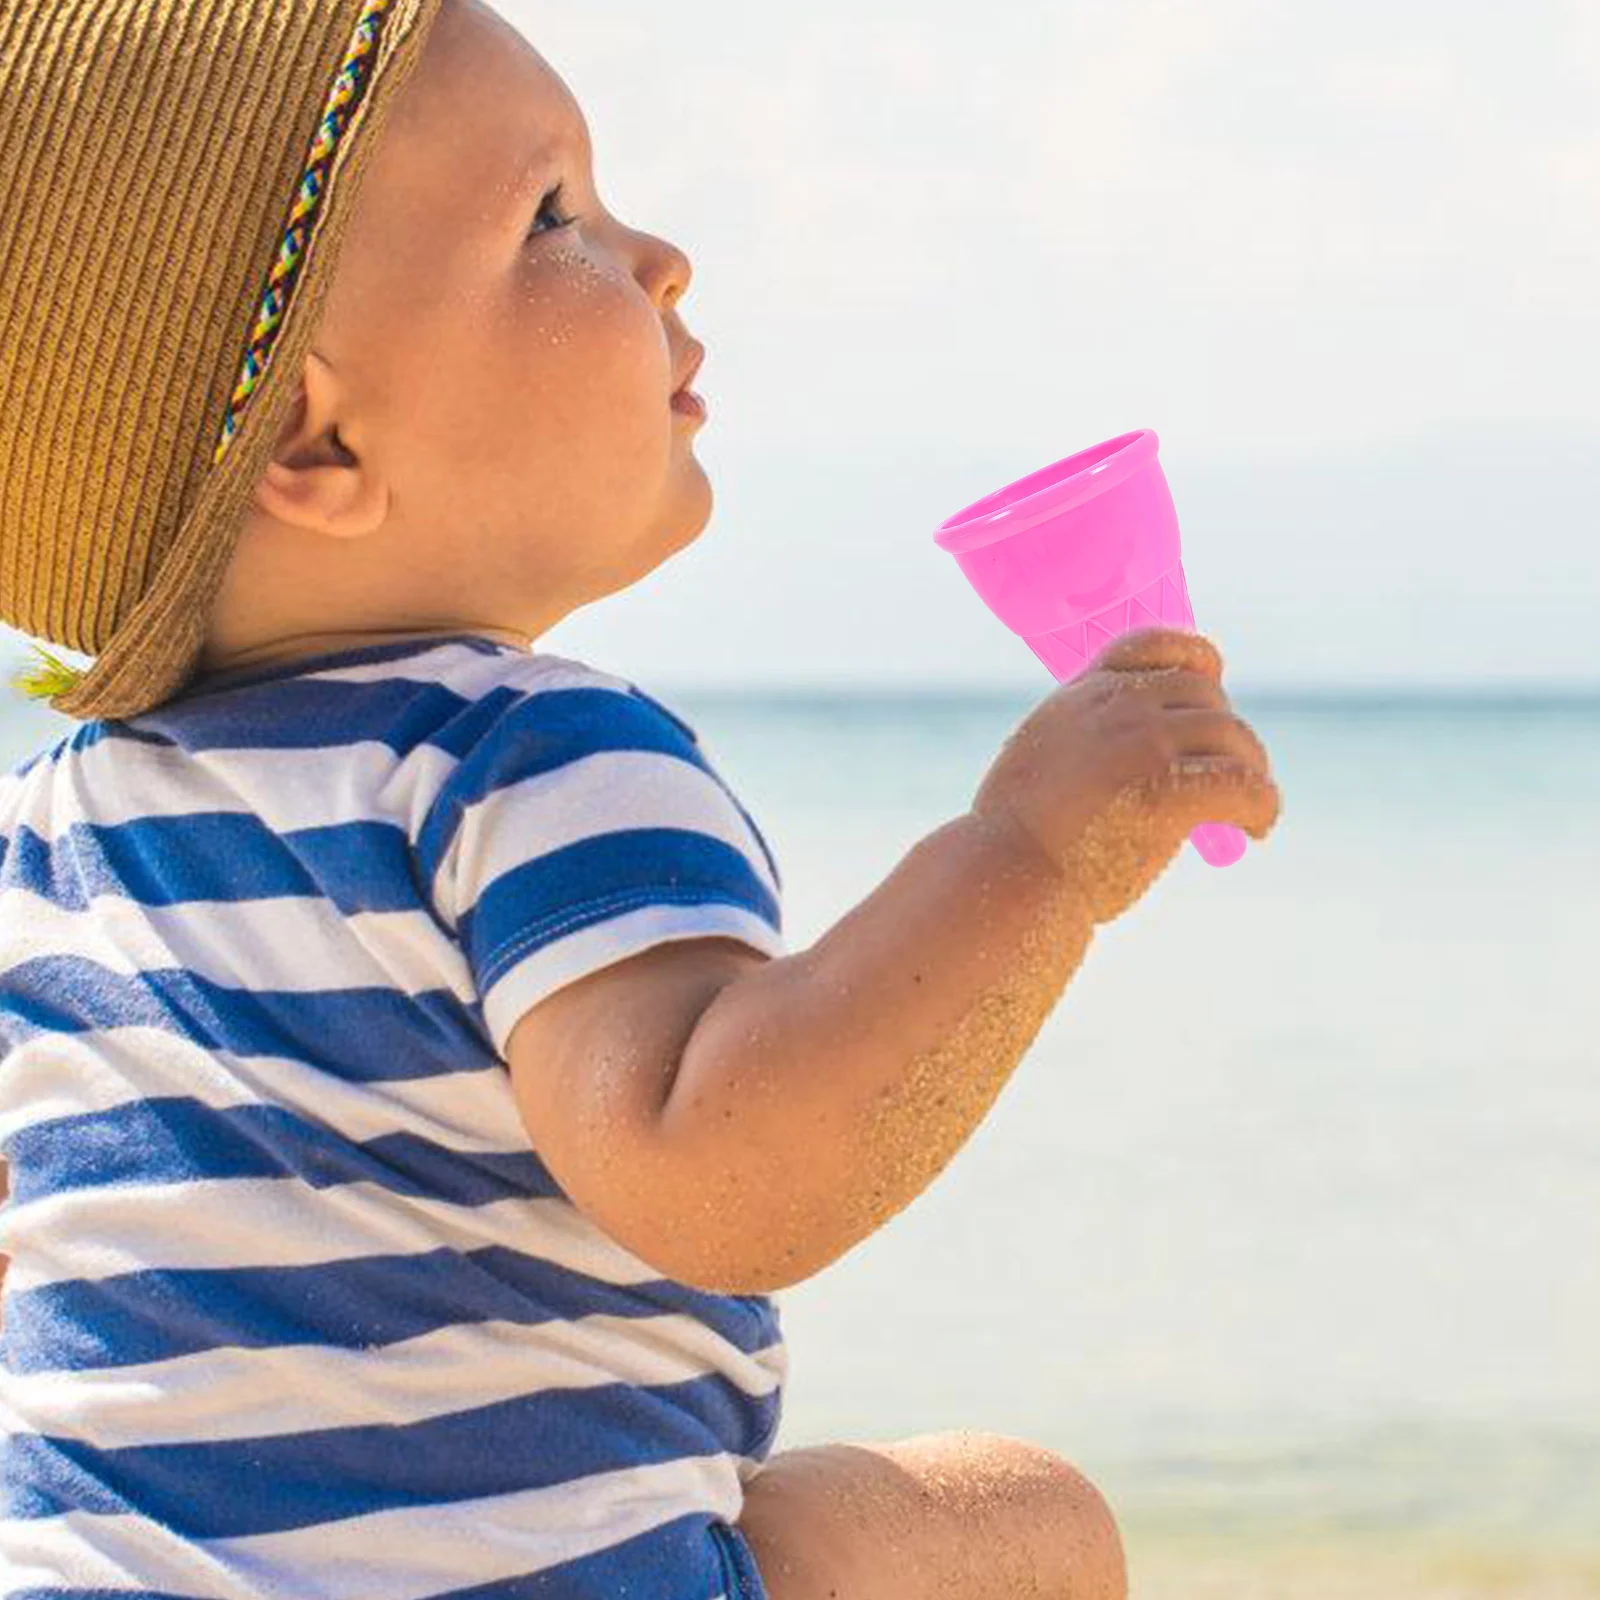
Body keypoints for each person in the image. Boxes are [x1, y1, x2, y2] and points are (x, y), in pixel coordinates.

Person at [0, 0, 1283, 1595]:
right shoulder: (521, 760)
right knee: (1022, 1520)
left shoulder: (51, 831)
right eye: (553, 217)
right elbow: (717, 1171)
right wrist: (1030, 858)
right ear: (319, 439)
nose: (659, 253)